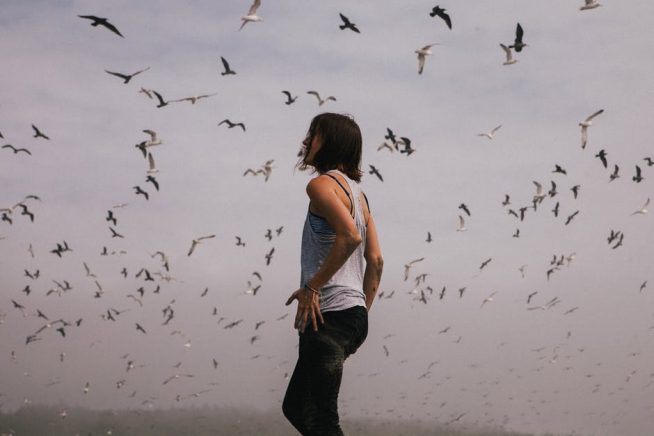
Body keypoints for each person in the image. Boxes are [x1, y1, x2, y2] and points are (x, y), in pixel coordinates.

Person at [283, 113, 384, 435]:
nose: (305, 141)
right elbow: (376, 261)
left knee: (322, 419)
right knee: (296, 407)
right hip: (352, 317)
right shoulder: (360, 196)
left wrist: (312, 288)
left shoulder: (320, 186)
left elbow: (350, 237)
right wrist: (359, 314)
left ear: (332, 143)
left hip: (327, 315)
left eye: (313, 135)